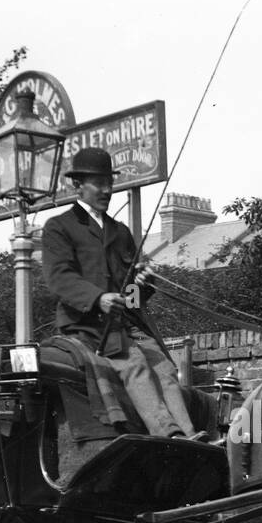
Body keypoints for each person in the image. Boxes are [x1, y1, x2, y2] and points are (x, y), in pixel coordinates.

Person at [40, 146, 199, 439]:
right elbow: (58, 278)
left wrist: (141, 285)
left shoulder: (120, 231)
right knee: (134, 363)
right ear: (78, 186)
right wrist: (97, 299)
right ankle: (168, 434)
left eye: (109, 183)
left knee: (164, 367)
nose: (107, 189)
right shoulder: (59, 228)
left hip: (124, 326)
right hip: (85, 326)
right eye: (98, 183)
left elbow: (131, 301)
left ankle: (190, 436)